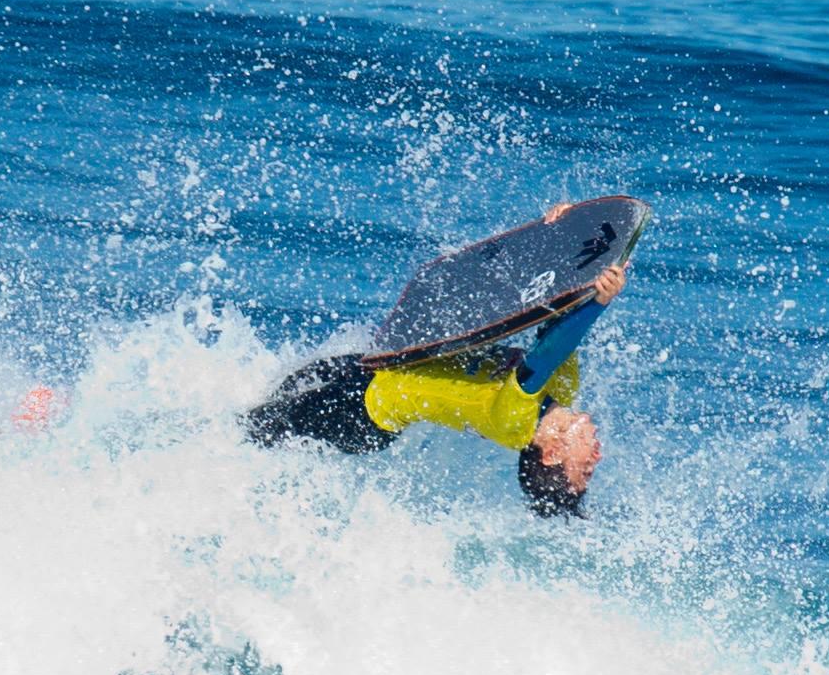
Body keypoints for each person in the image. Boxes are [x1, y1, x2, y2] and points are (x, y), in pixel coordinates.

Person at [242, 204, 630, 517]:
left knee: (251, 432)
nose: (598, 456)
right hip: (374, 366)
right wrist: (563, 237)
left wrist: (599, 304)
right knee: (266, 399)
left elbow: (547, 353)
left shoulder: (515, 421)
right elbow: (558, 321)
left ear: (552, 453)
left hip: (363, 414)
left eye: (586, 467)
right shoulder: (562, 389)